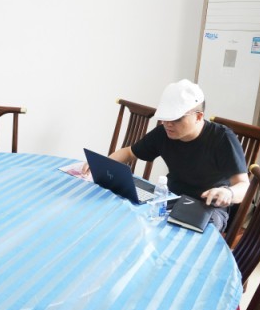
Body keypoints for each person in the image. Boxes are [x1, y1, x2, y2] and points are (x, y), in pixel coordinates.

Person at [84, 79, 249, 231]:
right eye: (164, 118)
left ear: (199, 116)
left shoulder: (222, 138)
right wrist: (100, 165)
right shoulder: (164, 133)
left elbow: (243, 185)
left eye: (176, 119)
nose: (168, 124)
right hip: (171, 198)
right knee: (126, 216)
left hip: (208, 207)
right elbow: (129, 152)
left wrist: (228, 193)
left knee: (188, 235)